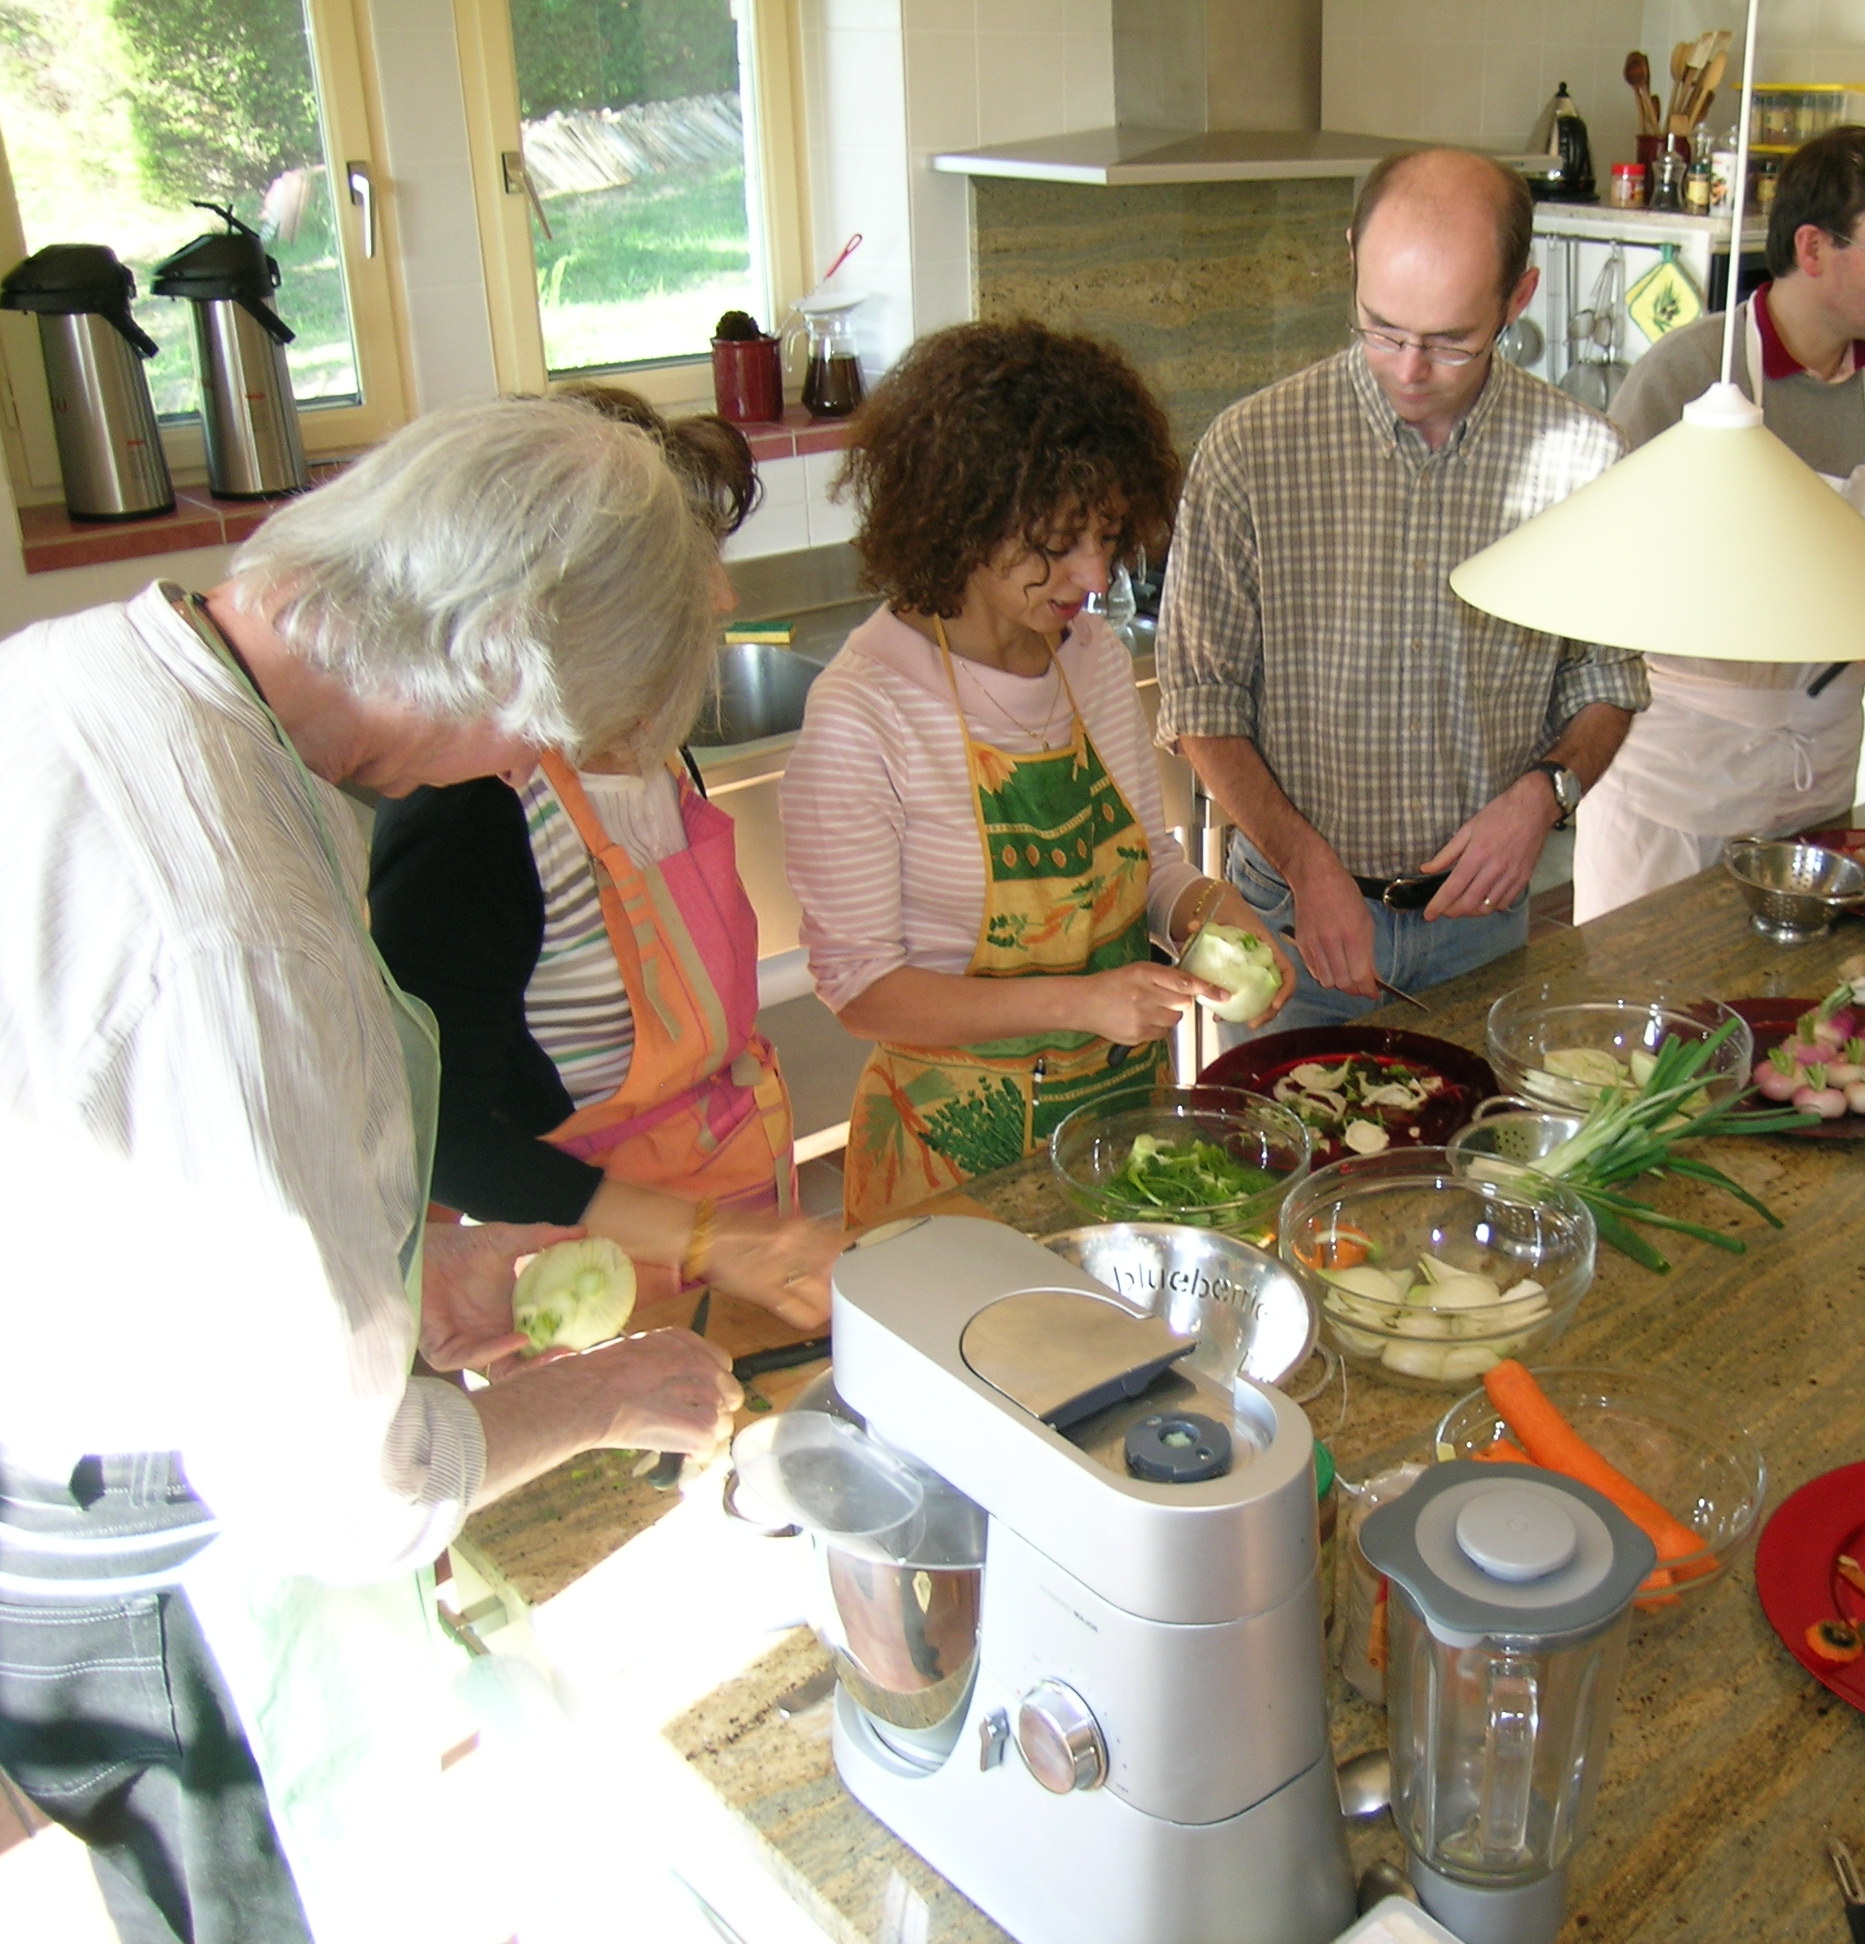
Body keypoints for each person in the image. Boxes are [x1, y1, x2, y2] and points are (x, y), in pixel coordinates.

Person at [0, 398, 745, 1944]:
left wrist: (399, 1287)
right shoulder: (239, 923)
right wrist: (610, 1392)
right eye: (538, 737)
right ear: (483, 655)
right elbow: (339, 1496)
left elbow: (132, 1164)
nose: (517, 770)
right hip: (177, 1575)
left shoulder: (83, 668)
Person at [782, 321, 1291, 1232]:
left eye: (1104, 536)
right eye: (1057, 545)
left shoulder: (1087, 656)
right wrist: (1083, 1000)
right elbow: (862, 992)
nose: (1092, 576)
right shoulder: (866, 710)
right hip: (948, 1153)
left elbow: (1150, 861)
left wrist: (1211, 915)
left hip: (1119, 1128)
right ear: (963, 516)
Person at [370, 385, 835, 1339]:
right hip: (585, 1280)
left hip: (740, 1223)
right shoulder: (474, 806)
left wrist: (737, 1241)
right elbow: (440, 1138)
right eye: (685, 571)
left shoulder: (657, 749)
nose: (721, 596)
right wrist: (704, 1240)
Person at [1158, 147, 1649, 1030]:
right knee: (1278, 1163)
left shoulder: (1584, 461)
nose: (1411, 368)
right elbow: (1204, 705)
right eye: (1381, 328)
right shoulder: (1251, 452)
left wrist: (1547, 794)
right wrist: (1308, 864)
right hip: (1293, 925)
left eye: (1452, 341)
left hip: (1480, 926)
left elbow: (1607, 678)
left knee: (1461, 1160)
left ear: (1519, 297)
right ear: (1353, 261)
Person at [1572, 126, 1865, 924]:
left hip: (1818, 768)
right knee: (1642, 998)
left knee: (1782, 1001)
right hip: (1677, 772)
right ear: (1814, 247)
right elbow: (1592, 590)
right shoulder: (1685, 376)